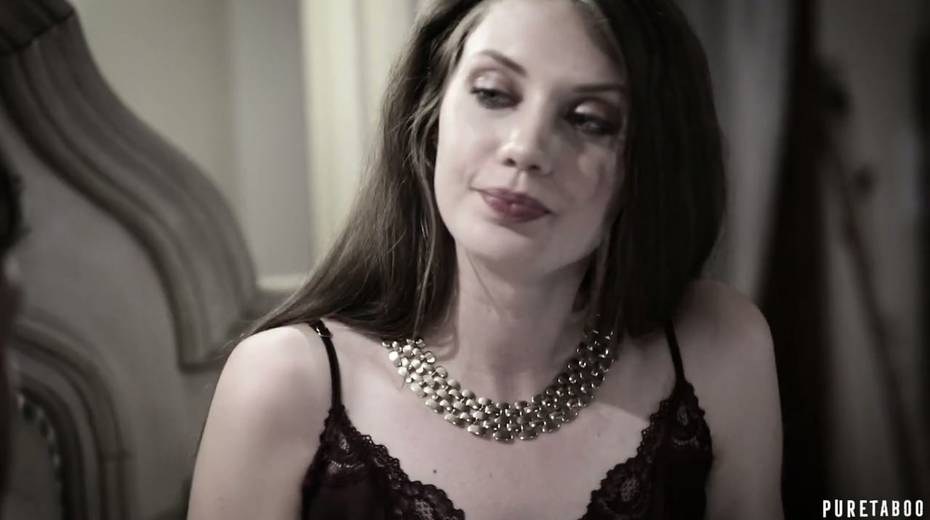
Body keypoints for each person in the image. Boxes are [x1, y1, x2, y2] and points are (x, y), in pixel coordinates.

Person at [188, 0, 783, 518]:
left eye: (589, 120)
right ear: (429, 118)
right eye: (494, 94)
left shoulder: (717, 346)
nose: (525, 148)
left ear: (649, 165)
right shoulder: (283, 384)